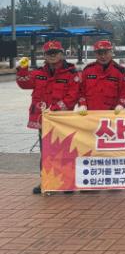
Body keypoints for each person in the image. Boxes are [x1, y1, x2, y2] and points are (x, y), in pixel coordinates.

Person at [16, 40, 81, 194]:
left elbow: (73, 96)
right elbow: (24, 84)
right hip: (43, 120)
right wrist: (22, 70)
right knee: (46, 151)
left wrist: (55, 109)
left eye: (55, 52)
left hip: (62, 119)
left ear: (62, 54)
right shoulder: (38, 73)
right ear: (44, 56)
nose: (52, 56)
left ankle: (67, 182)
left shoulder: (72, 73)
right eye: (49, 53)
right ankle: (47, 181)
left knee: (65, 150)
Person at [77, 39, 125, 115]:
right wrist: (82, 104)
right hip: (89, 115)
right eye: (100, 53)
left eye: (106, 53)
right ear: (95, 54)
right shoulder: (87, 70)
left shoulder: (120, 72)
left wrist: (121, 105)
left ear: (111, 52)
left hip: (112, 116)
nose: (103, 56)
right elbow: (80, 91)